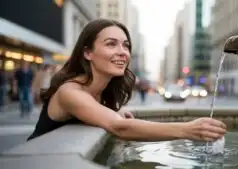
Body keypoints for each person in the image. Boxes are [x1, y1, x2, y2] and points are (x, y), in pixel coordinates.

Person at [27, 19, 227, 142]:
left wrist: (114, 111)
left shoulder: (100, 93)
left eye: (126, 45)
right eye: (111, 44)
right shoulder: (70, 92)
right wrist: (188, 129)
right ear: (88, 52)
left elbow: (109, 118)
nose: (122, 52)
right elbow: (119, 127)